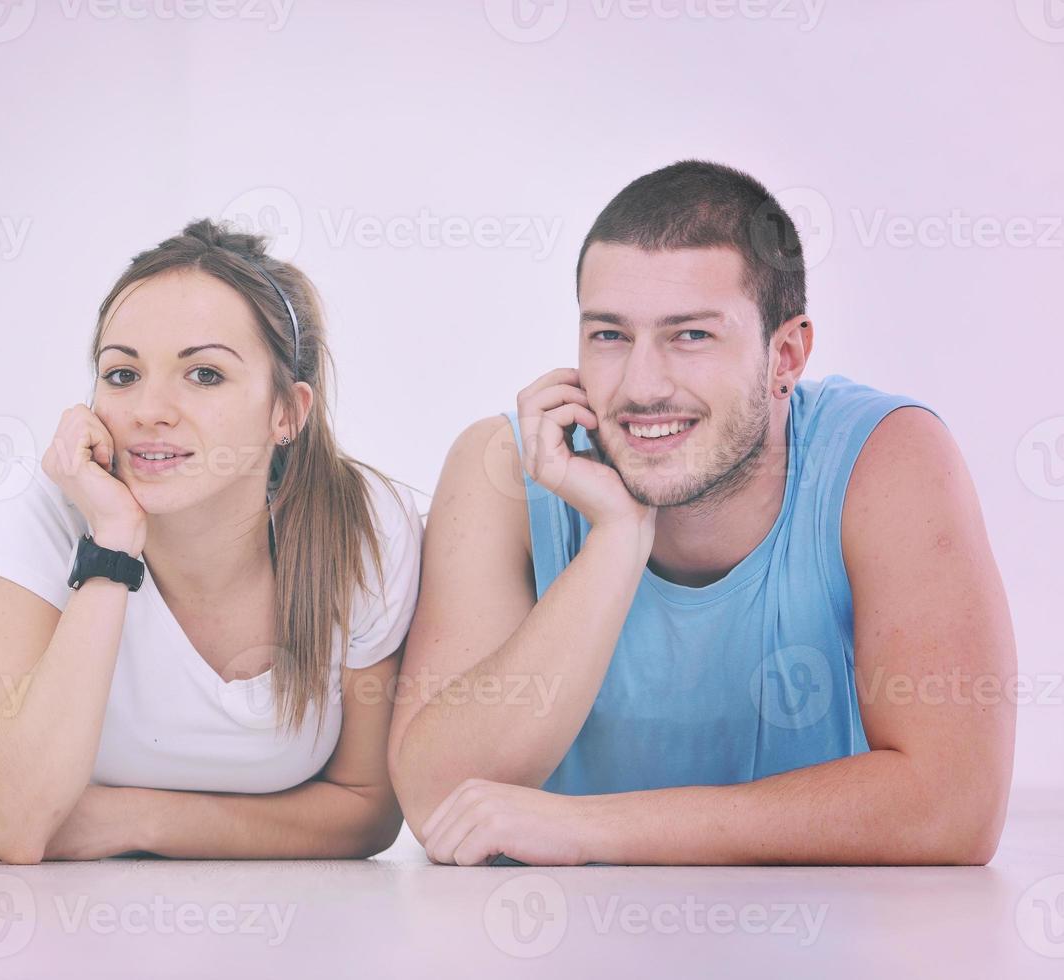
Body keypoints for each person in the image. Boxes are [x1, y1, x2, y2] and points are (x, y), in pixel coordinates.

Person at [388, 160, 1015, 866]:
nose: (642, 386)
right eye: (609, 336)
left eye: (691, 336)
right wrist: (619, 537)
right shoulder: (504, 466)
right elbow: (436, 803)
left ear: (786, 354)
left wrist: (593, 829)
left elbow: (954, 806)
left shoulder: (886, 457)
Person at [0, 219, 423, 864]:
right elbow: (13, 825)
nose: (147, 410)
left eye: (205, 375)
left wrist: (136, 819)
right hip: (1, 728)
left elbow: (365, 809)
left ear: (288, 413)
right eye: (122, 375)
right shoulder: (44, 501)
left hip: (98, 800)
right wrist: (113, 542)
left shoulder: (366, 527)